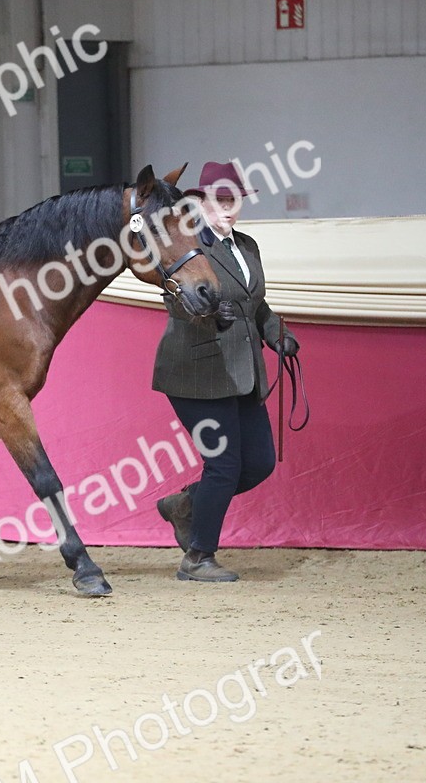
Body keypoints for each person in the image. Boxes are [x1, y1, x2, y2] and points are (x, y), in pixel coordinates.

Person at [151, 161, 299, 582]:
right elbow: (177, 300)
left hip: (243, 371)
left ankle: (184, 506)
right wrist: (211, 314)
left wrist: (276, 334)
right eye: (219, 200)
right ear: (200, 202)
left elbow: (256, 304)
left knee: (260, 463)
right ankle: (198, 557)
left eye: (233, 200)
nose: (228, 209)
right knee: (225, 465)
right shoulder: (187, 244)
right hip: (196, 370)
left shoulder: (247, 246)